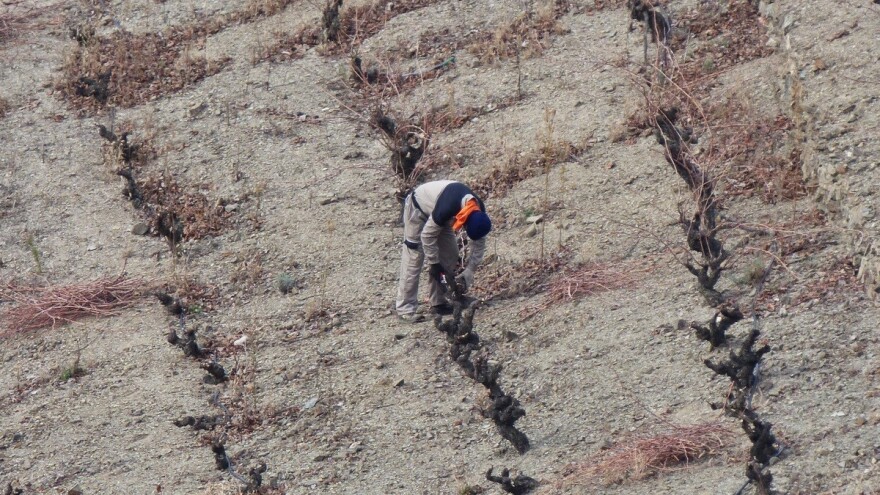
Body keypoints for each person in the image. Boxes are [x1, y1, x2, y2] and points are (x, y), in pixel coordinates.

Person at [395, 180, 492, 323]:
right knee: (415, 256)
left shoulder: (478, 211)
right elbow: (427, 236)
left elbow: (479, 243)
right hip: (418, 209)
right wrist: (434, 263)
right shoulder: (449, 205)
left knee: (450, 255)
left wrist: (470, 270)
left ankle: (438, 303)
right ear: (465, 224)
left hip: (441, 217)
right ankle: (405, 308)